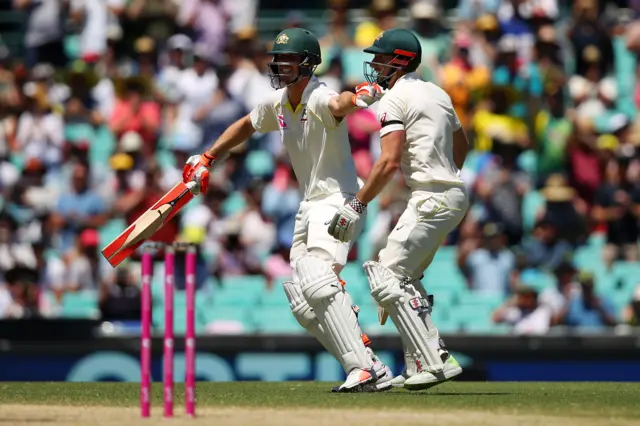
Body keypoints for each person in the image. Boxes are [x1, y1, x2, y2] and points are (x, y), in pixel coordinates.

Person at [182, 28, 392, 392]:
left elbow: (338, 104)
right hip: (309, 204)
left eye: (288, 59)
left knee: (317, 279)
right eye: (278, 58)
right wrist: (208, 157)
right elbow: (247, 125)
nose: (280, 64)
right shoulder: (278, 102)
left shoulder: (318, 96)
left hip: (338, 199)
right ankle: (371, 365)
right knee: (301, 297)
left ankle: (363, 369)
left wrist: (357, 97)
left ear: (308, 64)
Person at [327, 28, 470, 390]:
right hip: (452, 194)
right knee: (406, 278)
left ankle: (436, 356)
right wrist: (447, 174)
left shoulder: (394, 99)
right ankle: (417, 360)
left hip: (431, 196)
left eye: (380, 58)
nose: (374, 64)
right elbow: (462, 144)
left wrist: (357, 204)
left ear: (399, 61)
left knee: (385, 275)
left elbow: (388, 162)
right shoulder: (437, 92)